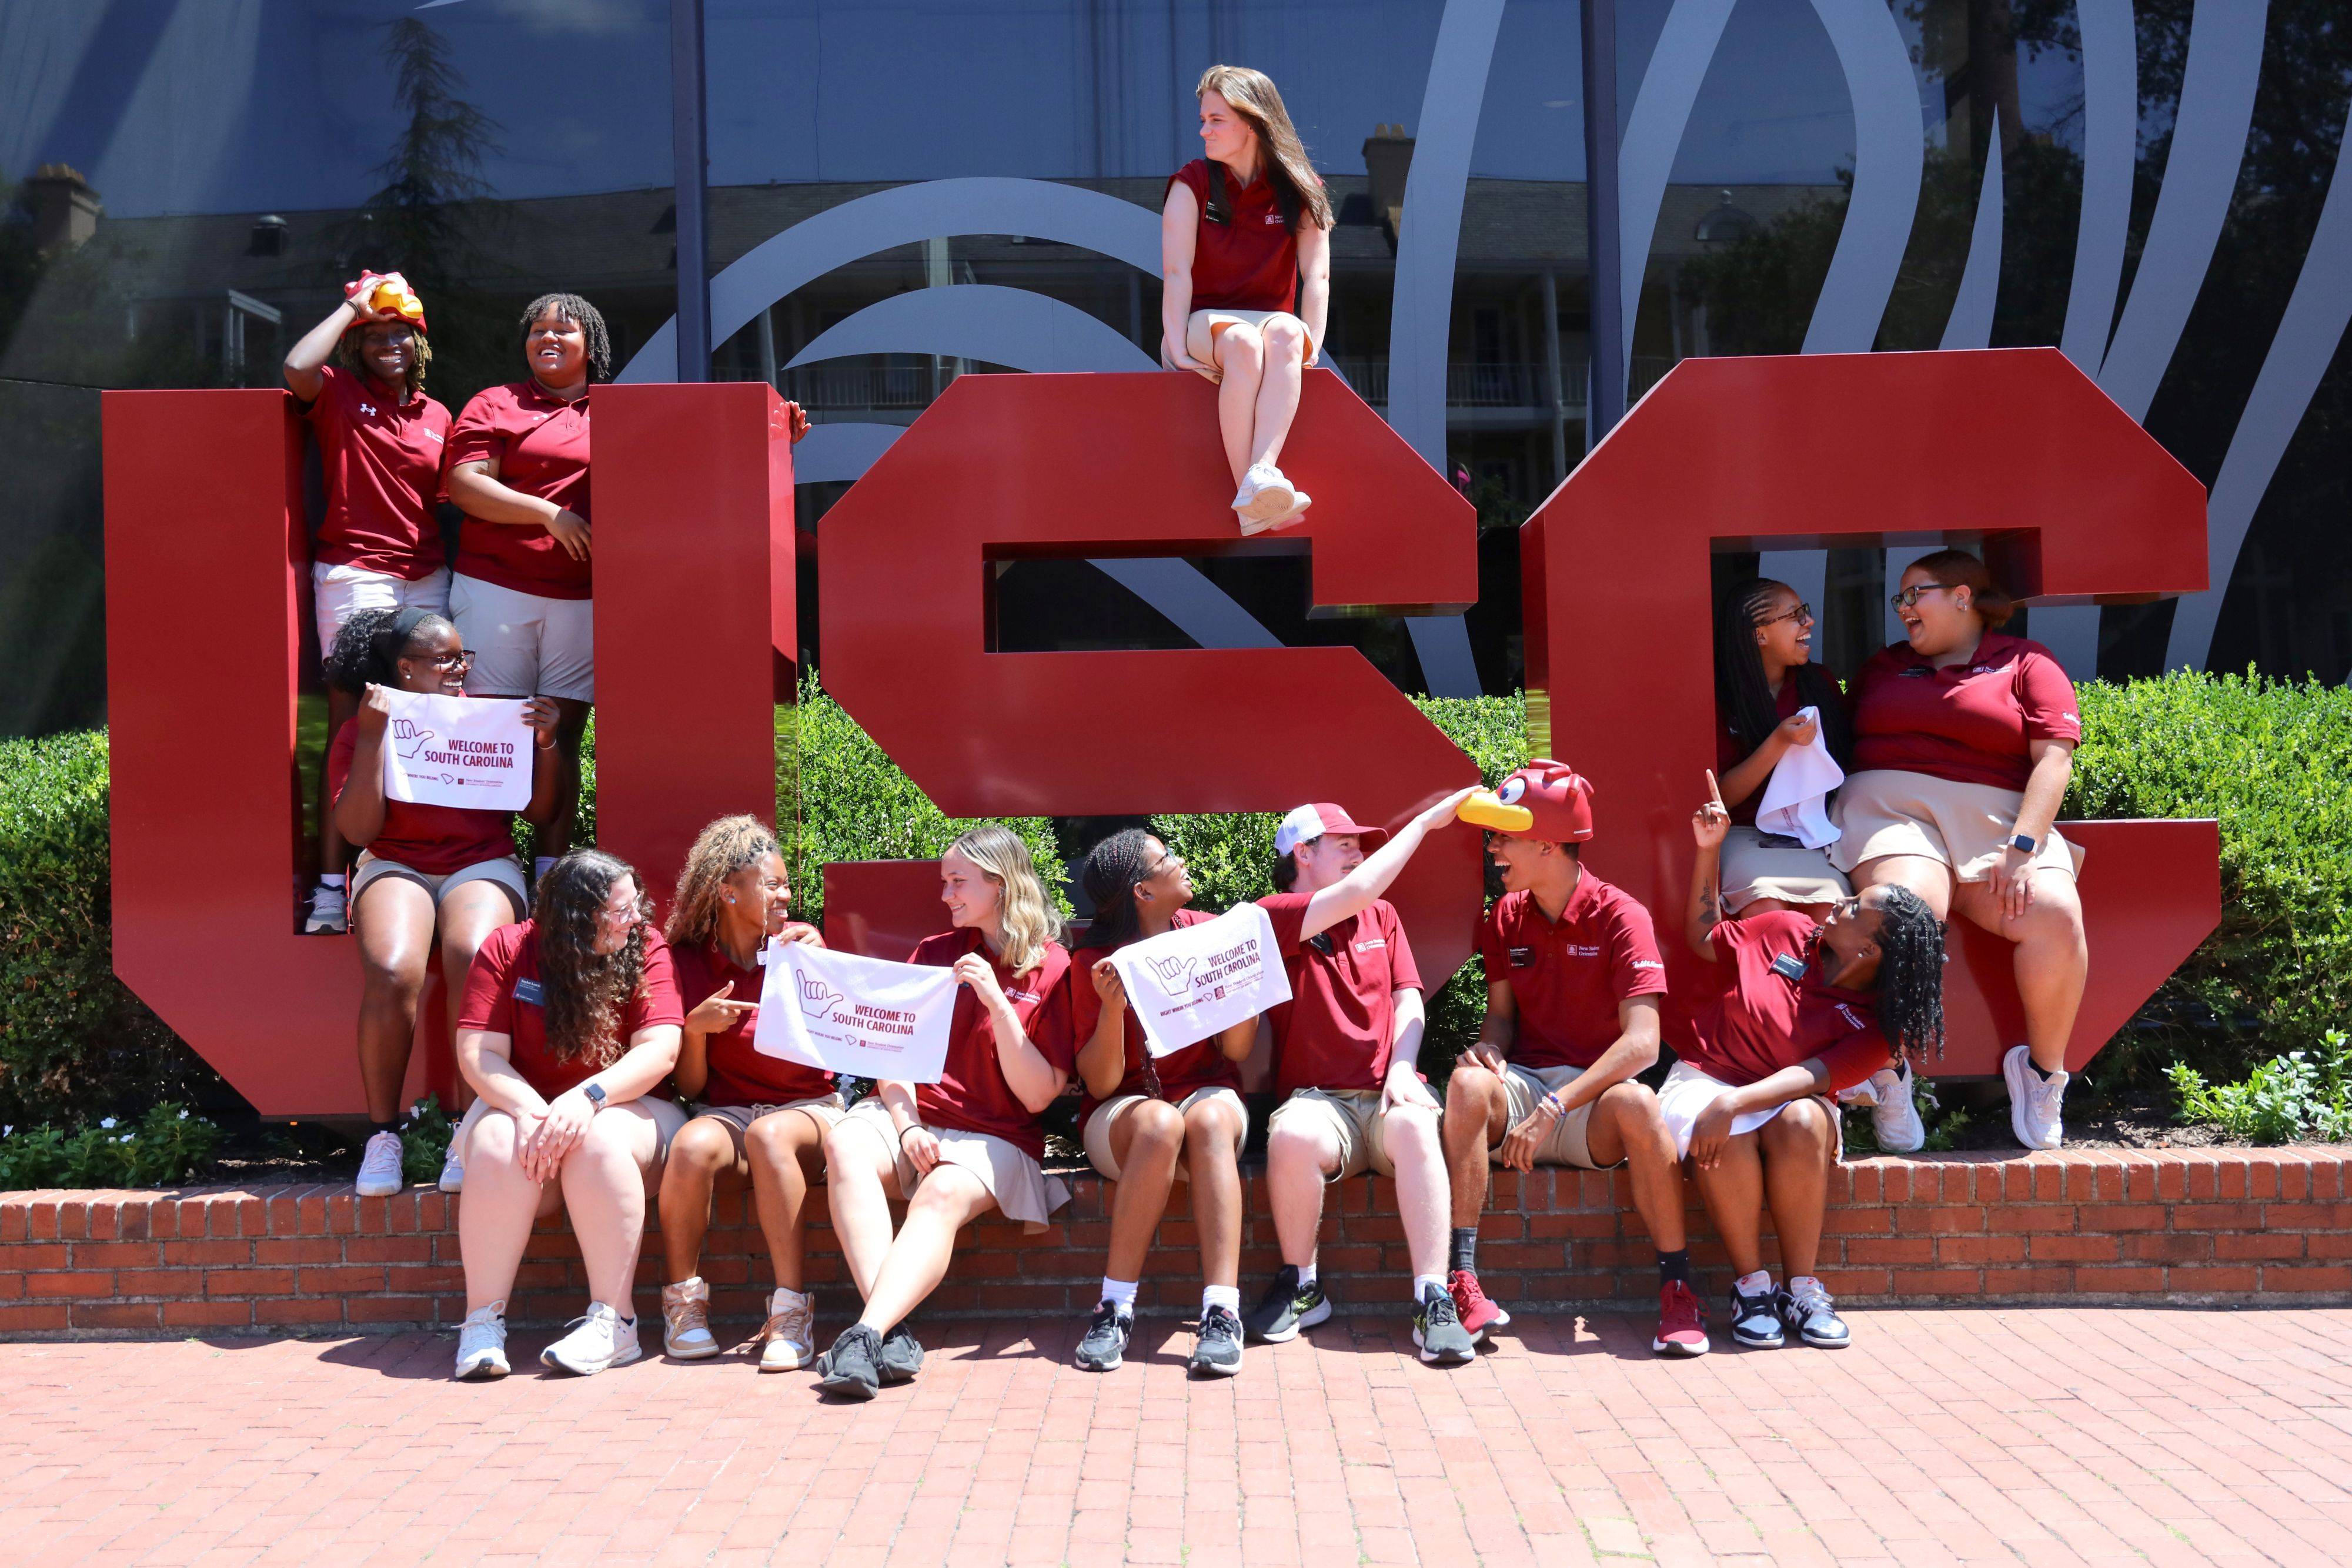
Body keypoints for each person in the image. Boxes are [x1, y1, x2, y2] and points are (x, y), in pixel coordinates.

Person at [1436, 763, 1705, 1356]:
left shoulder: (1621, 915)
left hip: (1590, 1103)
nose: (1493, 845)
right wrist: (1489, 1047)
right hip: (1527, 1086)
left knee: (1639, 1100)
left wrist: (1557, 1106)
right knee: (1464, 1085)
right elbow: (1501, 1020)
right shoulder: (1504, 916)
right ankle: (1460, 1280)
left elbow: (1643, 1045)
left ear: (1549, 844)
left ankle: (1678, 1290)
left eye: (1505, 835)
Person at [1834, 549, 2087, 1150]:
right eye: (1898, 599)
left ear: (1963, 596)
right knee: (1902, 910)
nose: (1902, 610)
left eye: (1913, 594)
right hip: (1891, 809)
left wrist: (2023, 846)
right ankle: (1887, 1070)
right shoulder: (1881, 667)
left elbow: (2054, 757)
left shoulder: (2027, 662)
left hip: (1998, 818)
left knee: (2052, 912)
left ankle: (2043, 1073)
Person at [1681, 775, 1946, 1349]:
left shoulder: (1879, 1026)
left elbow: (1813, 1080)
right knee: (1727, 1135)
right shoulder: (1787, 929)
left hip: (1778, 1103)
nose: (1836, 903)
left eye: (1852, 907)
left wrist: (1733, 1103)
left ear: (1868, 952)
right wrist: (1707, 849)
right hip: (1707, 1077)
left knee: (1801, 1118)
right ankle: (1752, 1288)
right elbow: (1706, 938)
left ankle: (1801, 1288)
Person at [814, 827, 1076, 1399]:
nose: (946, 895)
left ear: (999, 885)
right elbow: (892, 1057)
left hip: (998, 1137)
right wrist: (906, 1125)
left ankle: (863, 1332)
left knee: (939, 1194)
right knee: (844, 1144)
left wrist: (998, 1002)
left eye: (957, 882)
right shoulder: (933, 953)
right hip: (914, 1117)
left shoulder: (1053, 967)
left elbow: (1036, 1096)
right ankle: (885, 1331)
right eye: (945, 882)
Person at [1241, 790, 1482, 1366]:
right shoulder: (1273, 915)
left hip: (1386, 1096)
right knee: (1293, 1137)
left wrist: (1403, 1064)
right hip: (1318, 1104)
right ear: (1302, 853)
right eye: (1343, 843)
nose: (1357, 852)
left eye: (1360, 844)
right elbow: (1357, 890)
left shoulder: (1383, 916)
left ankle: (1432, 1300)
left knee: (1420, 1128)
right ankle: (1303, 1285)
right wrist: (1425, 821)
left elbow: (1410, 999)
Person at [326, 607, 560, 1199]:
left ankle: (466, 1129)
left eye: (463, 657)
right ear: (405, 669)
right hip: (395, 861)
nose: (460, 669)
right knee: (391, 968)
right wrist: (375, 737)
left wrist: (547, 743)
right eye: (445, 659)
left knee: (472, 952)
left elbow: (539, 813)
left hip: (481, 860)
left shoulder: (490, 718)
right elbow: (358, 830)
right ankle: (384, 1136)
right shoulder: (361, 728)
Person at [449, 850, 688, 1379]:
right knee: (493, 1141)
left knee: (596, 1139)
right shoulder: (509, 949)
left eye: (635, 906)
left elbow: (660, 1051)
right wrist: (536, 1111)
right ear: (578, 920)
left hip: (630, 1114)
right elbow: (478, 1053)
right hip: (533, 1119)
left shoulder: (646, 947)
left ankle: (615, 1322)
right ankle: (482, 1324)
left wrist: (586, 1098)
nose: (636, 919)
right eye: (620, 911)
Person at [283, 273, 454, 935]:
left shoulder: (439, 415)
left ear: (419, 344)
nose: (389, 346)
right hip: (357, 575)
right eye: (374, 337)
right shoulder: (338, 393)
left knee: (425, 725)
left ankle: (416, 871)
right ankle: (332, 887)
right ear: (357, 346)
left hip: (426, 578)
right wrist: (354, 305)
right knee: (351, 726)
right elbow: (298, 365)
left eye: (399, 336)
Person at [1067, 830, 1258, 1377]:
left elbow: (1238, 1050)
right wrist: (1110, 1011)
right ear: (1142, 892)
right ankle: (1114, 1307)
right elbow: (1102, 1085)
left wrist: (1236, 986)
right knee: (1159, 1123)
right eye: (1166, 857)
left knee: (1210, 1118)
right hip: (1127, 1112)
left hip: (1204, 1093)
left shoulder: (1205, 933)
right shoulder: (1096, 963)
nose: (1181, 861)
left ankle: (1222, 1310)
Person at [654, 817, 834, 1372]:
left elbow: (839, 1047)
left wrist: (822, 965)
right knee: (688, 1146)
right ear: (729, 891)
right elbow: (689, 1088)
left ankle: (790, 1313)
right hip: (729, 1111)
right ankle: (684, 1306)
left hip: (810, 1110)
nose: (787, 895)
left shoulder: (801, 946)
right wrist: (694, 1029)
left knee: (771, 1133)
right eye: (773, 884)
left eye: (786, 884)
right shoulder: (685, 962)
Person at [443, 294, 606, 881]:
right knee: (489, 734)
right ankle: (485, 867)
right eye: (537, 329)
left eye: (564, 329)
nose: (548, 338)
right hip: (497, 589)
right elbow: (464, 486)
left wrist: (775, 434)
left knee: (560, 736)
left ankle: (550, 873)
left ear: (593, 343)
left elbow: (688, 456)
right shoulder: (497, 402)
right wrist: (548, 515)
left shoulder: (617, 410)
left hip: (582, 599)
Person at [1160, 64, 1334, 535]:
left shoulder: (1299, 188)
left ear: (1253, 122)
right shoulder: (1192, 183)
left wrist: (1311, 340)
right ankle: (1251, 491)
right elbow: (1176, 274)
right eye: (1203, 119)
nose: (1203, 131)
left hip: (1269, 321)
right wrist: (1175, 347)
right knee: (1241, 342)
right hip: (1205, 322)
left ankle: (1260, 476)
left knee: (1283, 332)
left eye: (1217, 120)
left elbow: (1317, 273)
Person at [1712, 578, 1853, 920]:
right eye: (1795, 615)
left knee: (1831, 913)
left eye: (1805, 611)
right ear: (1760, 635)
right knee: (1767, 908)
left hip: (1814, 832)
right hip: (1744, 833)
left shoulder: (1819, 682)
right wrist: (1778, 742)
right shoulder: (1720, 695)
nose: (1809, 622)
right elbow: (1722, 797)